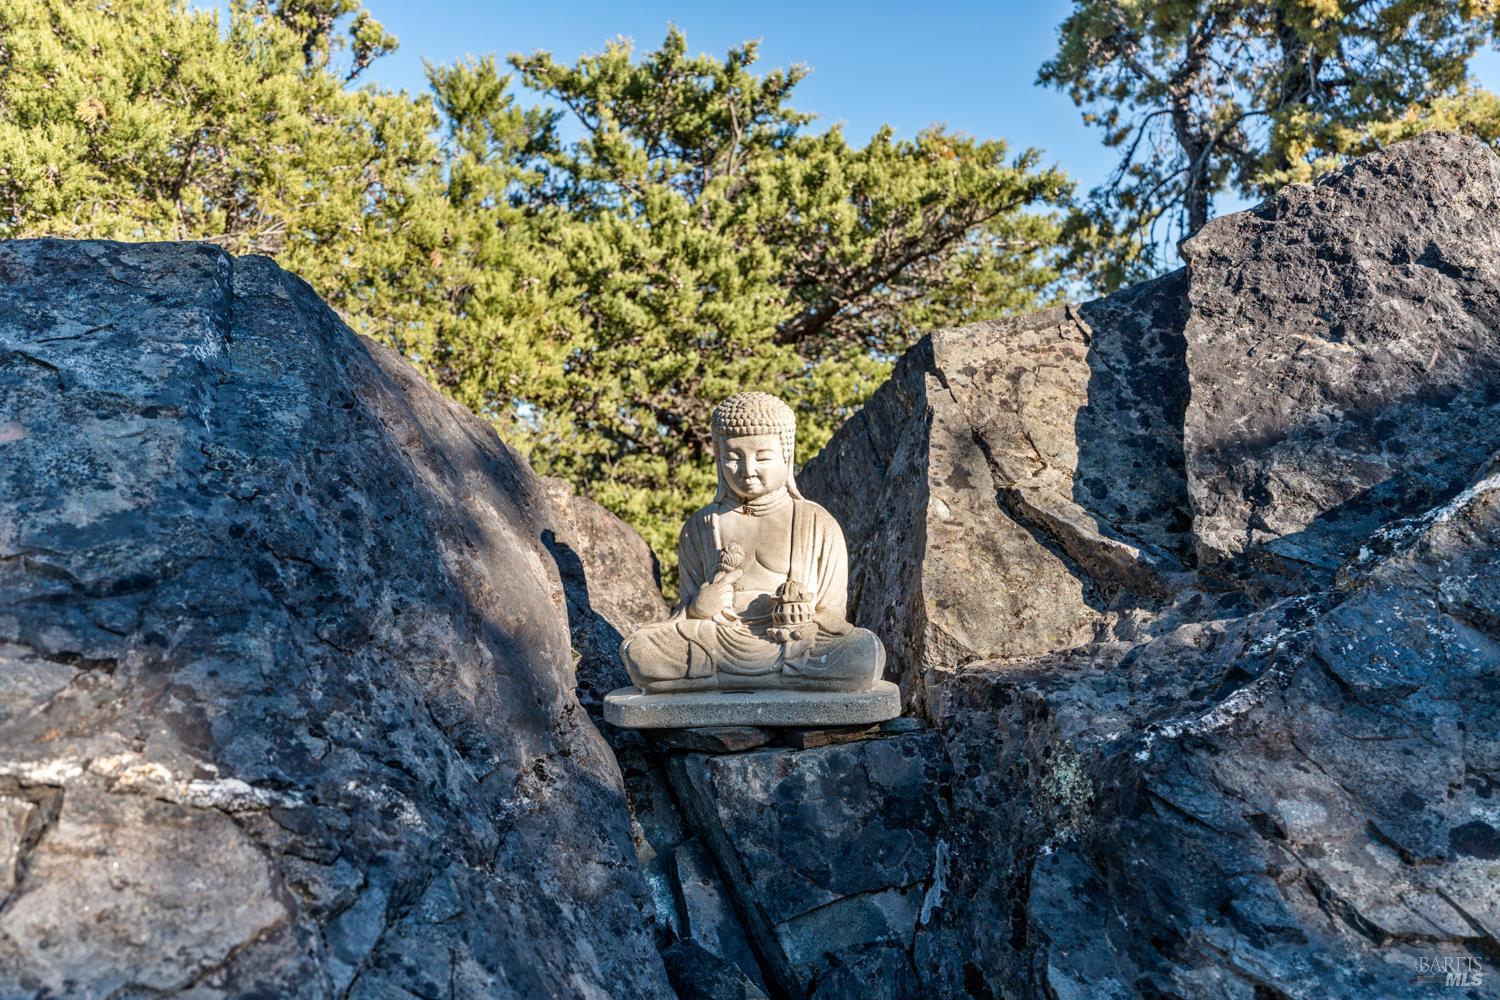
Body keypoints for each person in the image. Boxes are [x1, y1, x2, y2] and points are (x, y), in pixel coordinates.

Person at [620, 392, 885, 693]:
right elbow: (685, 611)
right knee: (640, 651)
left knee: (864, 653)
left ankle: (720, 681)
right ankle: (781, 679)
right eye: (733, 458)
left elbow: (833, 614)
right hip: (718, 640)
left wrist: (802, 611)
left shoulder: (817, 523)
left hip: (793, 642)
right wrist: (696, 608)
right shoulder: (702, 526)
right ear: (719, 458)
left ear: (786, 454)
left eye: (762, 456)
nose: (748, 470)